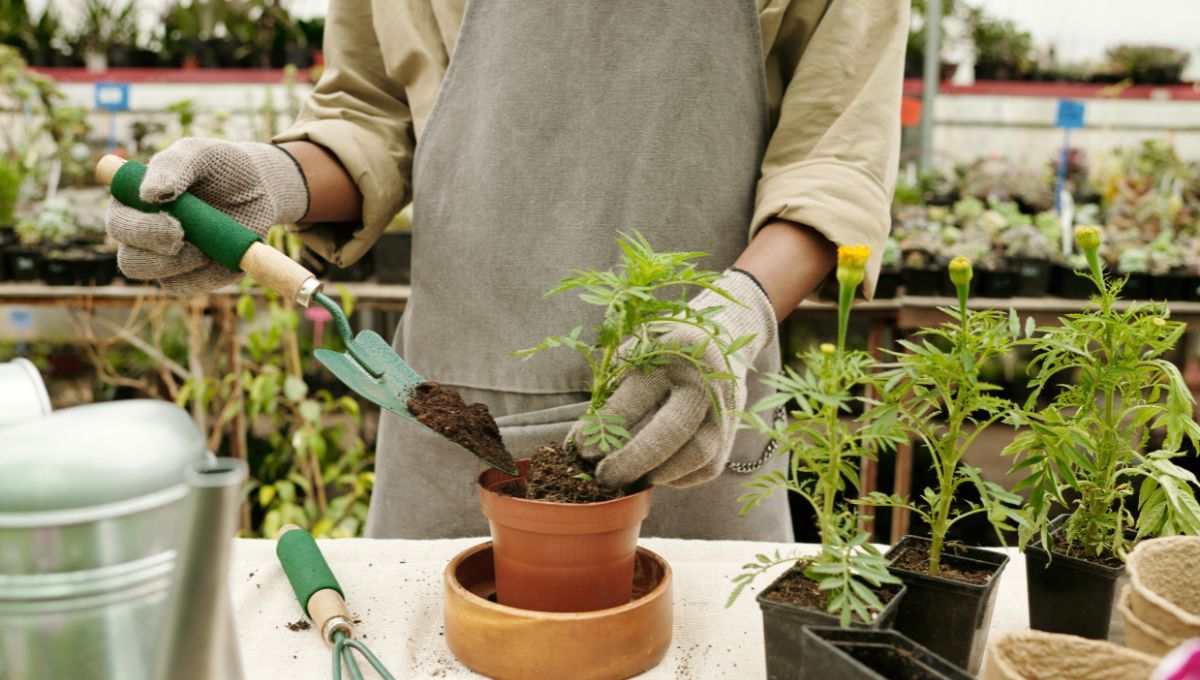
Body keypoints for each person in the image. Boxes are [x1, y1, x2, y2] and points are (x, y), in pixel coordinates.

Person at [106, 0, 907, 541]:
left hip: (692, 417)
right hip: (449, 410)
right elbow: (371, 113)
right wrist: (271, 181)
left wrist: (730, 320)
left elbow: (835, 161)